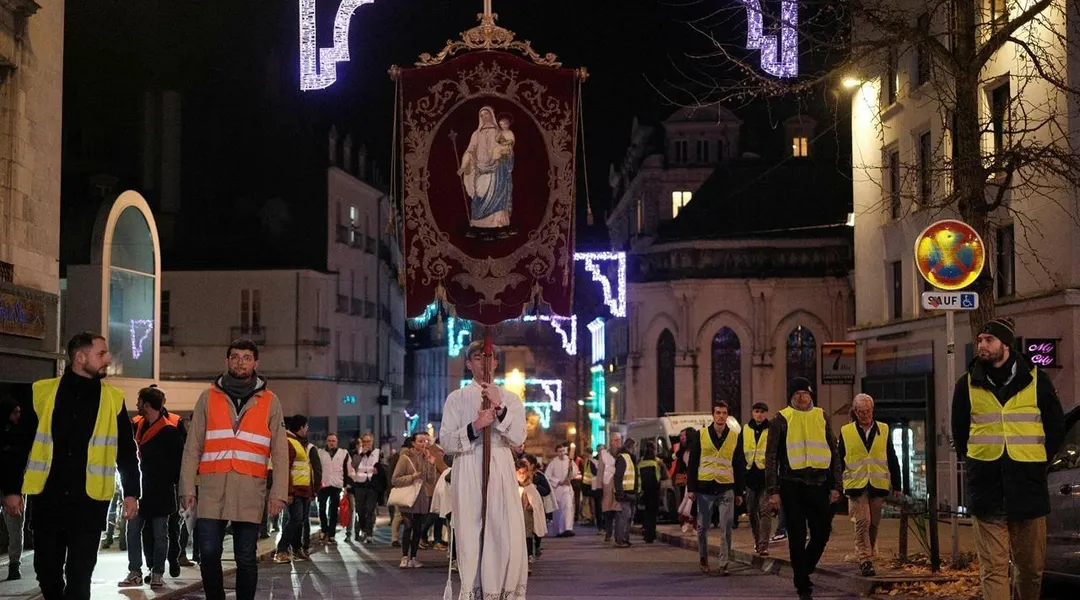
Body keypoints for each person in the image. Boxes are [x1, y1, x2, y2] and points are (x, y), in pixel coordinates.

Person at [1, 332, 141, 600]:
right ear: (80, 357)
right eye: (101, 354)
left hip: (88, 504)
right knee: (46, 572)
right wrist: (11, 489)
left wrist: (132, 492)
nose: (108, 359)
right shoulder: (43, 392)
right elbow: (19, 446)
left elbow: (126, 450)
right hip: (48, 500)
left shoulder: (113, 399)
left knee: (80, 577)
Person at [950, 317, 1065, 600]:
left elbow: (1056, 427)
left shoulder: (1037, 379)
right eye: (979, 341)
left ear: (1005, 344)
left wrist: (1038, 460)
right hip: (987, 488)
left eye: (988, 340)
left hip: (1027, 488)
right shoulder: (966, 384)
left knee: (1030, 569)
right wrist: (978, 462)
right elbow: (960, 432)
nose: (982, 345)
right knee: (993, 569)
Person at [179, 339, 289, 600]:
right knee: (207, 552)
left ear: (256, 363)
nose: (241, 362)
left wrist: (279, 493)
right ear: (227, 361)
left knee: (246, 557)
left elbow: (281, 452)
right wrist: (186, 488)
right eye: (236, 357)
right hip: (211, 488)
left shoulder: (270, 401)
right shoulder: (208, 397)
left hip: (249, 488)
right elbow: (192, 446)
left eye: (246, 357)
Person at [438, 340, 528, 600]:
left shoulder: (510, 398)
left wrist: (499, 409)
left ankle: (499, 591)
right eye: (478, 358)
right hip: (468, 466)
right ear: (469, 364)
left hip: (499, 466)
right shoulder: (457, 398)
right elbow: (446, 441)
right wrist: (475, 425)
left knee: (502, 531)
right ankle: (474, 590)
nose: (485, 363)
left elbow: (519, 438)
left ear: (497, 363)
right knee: (470, 532)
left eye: (489, 358)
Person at [765, 377, 842, 600]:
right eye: (797, 393)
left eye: (805, 393)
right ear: (791, 396)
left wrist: (836, 485)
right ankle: (803, 586)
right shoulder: (781, 419)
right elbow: (771, 457)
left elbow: (834, 453)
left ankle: (802, 570)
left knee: (822, 532)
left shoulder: (821, 416)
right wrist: (773, 490)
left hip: (819, 484)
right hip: (792, 484)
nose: (802, 397)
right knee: (797, 536)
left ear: (811, 395)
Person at [120, 387, 184, 589]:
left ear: (147, 405)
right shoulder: (135, 426)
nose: (137, 405)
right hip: (138, 491)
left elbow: (178, 464)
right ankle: (135, 571)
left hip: (161, 492)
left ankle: (157, 572)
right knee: (132, 531)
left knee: (160, 534)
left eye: (139, 401)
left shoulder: (169, 431)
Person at [838, 393, 903, 576]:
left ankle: (869, 551)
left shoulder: (884, 429)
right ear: (855, 411)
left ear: (872, 410)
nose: (865, 415)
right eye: (861, 412)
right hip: (856, 483)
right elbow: (839, 458)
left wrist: (897, 485)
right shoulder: (846, 431)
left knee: (874, 523)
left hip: (877, 483)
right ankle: (865, 559)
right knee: (863, 521)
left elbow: (891, 457)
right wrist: (835, 485)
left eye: (867, 411)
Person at [687, 401, 746, 575]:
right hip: (704, 487)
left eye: (724, 413)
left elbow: (739, 464)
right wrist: (691, 488)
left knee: (726, 525)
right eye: (718, 413)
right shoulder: (701, 434)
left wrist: (740, 490)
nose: (721, 416)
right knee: (702, 526)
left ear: (727, 416)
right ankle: (703, 557)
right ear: (713, 415)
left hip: (726, 486)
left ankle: (723, 562)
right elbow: (693, 463)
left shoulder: (735, 436)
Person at [391, 432, 441, 568]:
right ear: (413, 443)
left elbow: (431, 480)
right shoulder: (405, 457)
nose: (423, 444)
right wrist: (413, 477)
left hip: (421, 497)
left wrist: (431, 464)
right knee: (408, 526)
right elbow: (395, 479)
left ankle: (413, 557)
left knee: (418, 528)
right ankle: (404, 557)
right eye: (420, 441)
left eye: (425, 441)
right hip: (407, 496)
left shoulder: (426, 457)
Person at [274, 415, 316, 563]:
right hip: (295, 490)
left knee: (300, 520)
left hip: (303, 490)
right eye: (306, 426)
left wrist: (311, 491)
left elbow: (305, 468)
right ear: (300, 427)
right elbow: (286, 469)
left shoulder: (299, 443)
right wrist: (289, 492)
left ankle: (297, 549)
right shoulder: (289, 442)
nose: (308, 429)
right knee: (296, 519)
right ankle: (282, 549)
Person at [0, 398, 26, 580]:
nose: (18, 415)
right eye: (15, 412)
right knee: (15, 528)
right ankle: (14, 565)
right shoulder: (18, 435)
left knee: (15, 527)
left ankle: (14, 565)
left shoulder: (17, 434)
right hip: (15, 488)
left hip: (14, 488)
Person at [744, 402, 773, 556]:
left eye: (762, 412)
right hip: (750, 476)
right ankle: (757, 540)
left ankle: (763, 545)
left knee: (765, 511)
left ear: (766, 413)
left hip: (766, 476)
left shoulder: (771, 429)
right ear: (752, 413)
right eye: (756, 411)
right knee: (751, 511)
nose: (759, 414)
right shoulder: (746, 429)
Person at [317, 433, 349, 545]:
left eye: (333, 441)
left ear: (337, 442)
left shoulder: (343, 453)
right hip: (323, 484)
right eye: (329, 440)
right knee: (321, 509)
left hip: (336, 485)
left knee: (334, 511)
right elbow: (317, 469)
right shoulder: (320, 453)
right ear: (326, 441)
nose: (331, 443)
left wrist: (345, 486)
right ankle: (324, 529)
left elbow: (345, 470)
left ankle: (331, 534)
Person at [349, 432, 381, 543]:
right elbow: (353, 465)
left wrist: (378, 471)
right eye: (365, 441)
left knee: (370, 510)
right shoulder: (357, 453)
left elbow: (382, 466)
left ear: (372, 442)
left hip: (372, 485)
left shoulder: (377, 453)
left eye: (369, 441)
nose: (367, 443)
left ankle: (369, 534)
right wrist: (361, 454)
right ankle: (363, 528)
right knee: (360, 510)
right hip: (359, 485)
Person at [517, 459, 546, 573]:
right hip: (516, 515)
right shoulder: (512, 485)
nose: (522, 475)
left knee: (527, 535)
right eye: (519, 472)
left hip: (527, 514)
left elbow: (536, 502)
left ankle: (529, 555)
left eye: (524, 472)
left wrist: (531, 506)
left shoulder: (530, 486)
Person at [544, 442, 578, 537]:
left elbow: (575, 471)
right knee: (559, 510)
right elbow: (547, 476)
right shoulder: (553, 463)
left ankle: (568, 528)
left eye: (563, 451)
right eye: (560, 451)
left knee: (568, 507)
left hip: (567, 488)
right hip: (558, 489)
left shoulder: (569, 461)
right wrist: (558, 481)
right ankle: (560, 529)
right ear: (557, 452)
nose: (562, 453)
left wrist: (571, 473)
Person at [638, 440, 667, 544]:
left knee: (646, 512)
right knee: (653, 513)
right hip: (655, 490)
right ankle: (651, 535)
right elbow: (665, 476)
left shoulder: (640, 462)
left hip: (644, 490)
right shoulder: (658, 462)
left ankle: (646, 534)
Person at [611, 438, 638, 548]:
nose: (636, 449)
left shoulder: (630, 458)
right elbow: (618, 477)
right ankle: (620, 540)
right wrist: (619, 493)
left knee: (628, 517)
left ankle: (625, 538)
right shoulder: (623, 458)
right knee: (624, 517)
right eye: (635, 447)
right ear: (631, 447)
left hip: (631, 492)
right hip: (625, 493)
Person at [587, 445, 605, 534]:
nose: (601, 452)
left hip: (606, 487)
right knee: (599, 508)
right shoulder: (593, 461)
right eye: (599, 450)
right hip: (597, 487)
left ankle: (606, 527)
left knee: (606, 508)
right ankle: (600, 527)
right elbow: (594, 472)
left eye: (602, 450)